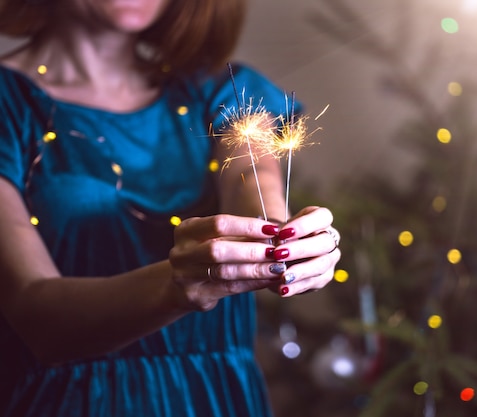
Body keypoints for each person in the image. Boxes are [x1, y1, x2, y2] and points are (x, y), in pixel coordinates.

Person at [0, 0, 341, 416]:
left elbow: (253, 180)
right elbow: (40, 322)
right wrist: (174, 286)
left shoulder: (223, 91)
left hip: (218, 399)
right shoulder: (8, 106)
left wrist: (285, 237)